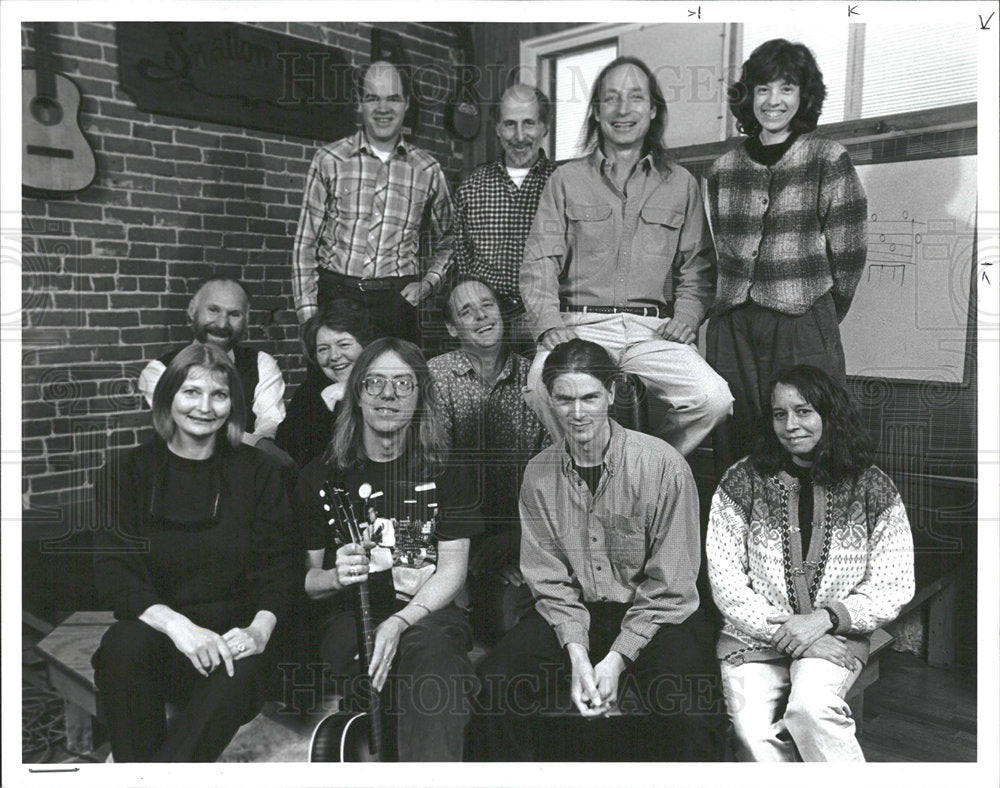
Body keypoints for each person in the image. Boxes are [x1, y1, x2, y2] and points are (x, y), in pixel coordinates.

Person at [469, 339, 724, 761]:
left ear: (610, 393)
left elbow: (672, 587)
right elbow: (549, 581)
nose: (577, 412)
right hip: (573, 610)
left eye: (589, 397)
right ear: (549, 400)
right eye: (564, 399)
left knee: (692, 713)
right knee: (494, 686)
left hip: (656, 614)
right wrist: (577, 655)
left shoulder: (664, 466)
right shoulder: (538, 473)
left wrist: (615, 660)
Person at [91, 343, 298, 762]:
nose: (204, 407)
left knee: (238, 671)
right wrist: (179, 627)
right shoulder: (125, 472)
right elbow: (115, 571)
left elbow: (280, 567)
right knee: (121, 648)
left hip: (235, 639)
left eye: (218, 394)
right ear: (168, 397)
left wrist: (259, 631)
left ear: (233, 404)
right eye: (191, 392)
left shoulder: (260, 472)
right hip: (163, 634)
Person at [520, 55, 732, 457]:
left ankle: (642, 462)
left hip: (651, 331)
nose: (623, 109)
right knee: (537, 386)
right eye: (611, 98)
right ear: (596, 112)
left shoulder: (681, 184)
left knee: (713, 399)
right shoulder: (565, 180)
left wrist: (687, 317)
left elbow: (699, 268)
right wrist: (548, 323)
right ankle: (587, 464)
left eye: (636, 97)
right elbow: (539, 261)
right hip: (579, 325)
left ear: (652, 110)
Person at [706, 364, 914, 761]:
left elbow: (894, 586)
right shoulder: (741, 481)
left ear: (829, 414)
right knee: (752, 733)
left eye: (803, 411)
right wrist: (797, 633)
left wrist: (825, 620)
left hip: (838, 637)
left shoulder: (872, 487)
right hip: (753, 635)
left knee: (811, 710)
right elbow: (727, 584)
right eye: (779, 414)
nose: (790, 425)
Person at [294, 337, 482, 761]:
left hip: (430, 612)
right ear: (357, 393)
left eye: (403, 383)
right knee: (388, 671)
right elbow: (304, 582)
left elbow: (452, 572)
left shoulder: (448, 470)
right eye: (375, 382)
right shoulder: (318, 477)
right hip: (349, 618)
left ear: (421, 397)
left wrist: (399, 622)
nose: (388, 395)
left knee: (434, 666)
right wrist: (334, 576)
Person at [705, 39, 868, 473]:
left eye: (787, 88)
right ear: (748, 96)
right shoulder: (723, 170)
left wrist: (819, 312)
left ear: (804, 95)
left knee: (810, 437)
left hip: (802, 322)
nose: (773, 101)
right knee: (738, 438)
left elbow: (849, 252)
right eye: (763, 89)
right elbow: (721, 248)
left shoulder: (828, 159)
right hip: (732, 327)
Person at [292, 60, 454, 345]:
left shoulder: (427, 169)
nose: (383, 108)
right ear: (360, 103)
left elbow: (452, 239)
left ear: (406, 103)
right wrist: (309, 317)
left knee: (396, 373)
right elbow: (305, 245)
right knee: (333, 375)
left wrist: (429, 283)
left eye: (393, 98)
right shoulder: (329, 160)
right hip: (336, 297)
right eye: (372, 98)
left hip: (397, 305)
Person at [429, 277, 548, 644]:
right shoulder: (435, 377)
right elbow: (434, 474)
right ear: (452, 328)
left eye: (487, 306)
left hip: (522, 534)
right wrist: (474, 552)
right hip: (454, 538)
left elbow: (552, 475)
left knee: (516, 621)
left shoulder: (535, 378)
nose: (481, 316)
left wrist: (517, 543)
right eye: (467, 311)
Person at [138, 276, 290, 466]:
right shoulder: (160, 371)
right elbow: (194, 428)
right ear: (192, 310)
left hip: (246, 471)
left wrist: (262, 443)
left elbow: (271, 421)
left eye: (234, 314)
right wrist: (257, 443)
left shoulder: (261, 363)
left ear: (246, 319)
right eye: (213, 310)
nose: (222, 323)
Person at [450, 84, 556, 353]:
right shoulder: (472, 187)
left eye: (529, 123)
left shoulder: (563, 185)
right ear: (497, 128)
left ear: (544, 127)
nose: (519, 136)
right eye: (510, 124)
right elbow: (462, 260)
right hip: (487, 323)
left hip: (547, 321)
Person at [275, 299, 371, 467]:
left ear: (366, 345)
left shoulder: (389, 387)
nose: (334, 356)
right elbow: (291, 456)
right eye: (323, 349)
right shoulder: (308, 394)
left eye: (344, 345)